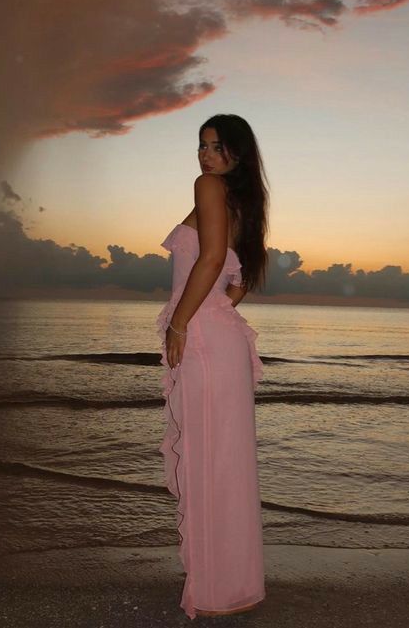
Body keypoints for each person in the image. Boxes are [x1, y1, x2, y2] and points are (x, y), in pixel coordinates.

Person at [156, 113, 269, 619]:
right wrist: (207, 315)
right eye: (201, 145)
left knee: (209, 461)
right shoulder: (243, 203)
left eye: (217, 146)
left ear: (236, 153)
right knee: (226, 464)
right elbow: (238, 278)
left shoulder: (208, 188)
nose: (205, 155)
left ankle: (215, 591)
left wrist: (180, 324)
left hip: (203, 336)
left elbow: (208, 261)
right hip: (221, 338)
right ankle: (233, 585)